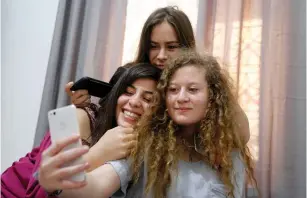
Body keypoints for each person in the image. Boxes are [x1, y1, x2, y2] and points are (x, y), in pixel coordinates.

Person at [39, 51, 257, 198]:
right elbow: (95, 186)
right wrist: (59, 182)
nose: (181, 97)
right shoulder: (143, 146)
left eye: (192, 89)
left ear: (213, 98)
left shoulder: (230, 156)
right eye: (173, 90)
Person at [1, 63, 161, 198]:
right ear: (114, 95)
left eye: (147, 99)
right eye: (128, 92)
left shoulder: (137, 148)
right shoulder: (83, 117)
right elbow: (38, 190)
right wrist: (99, 153)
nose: (134, 102)